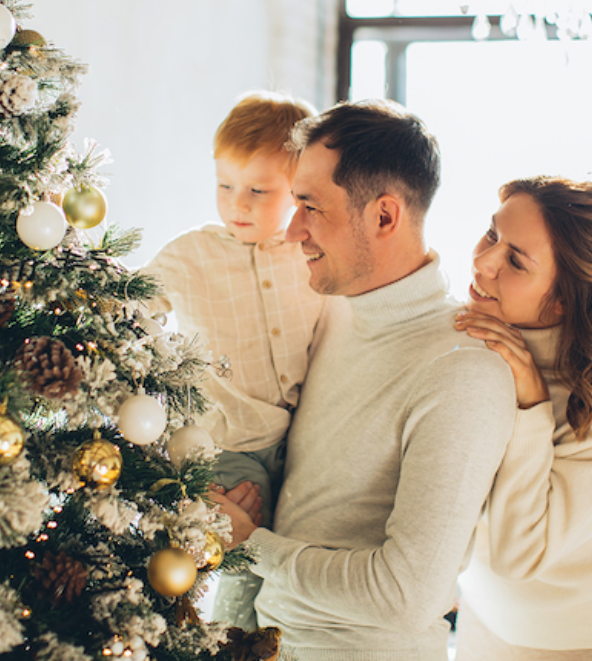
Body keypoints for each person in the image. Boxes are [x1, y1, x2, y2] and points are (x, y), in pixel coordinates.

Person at [214, 99, 517, 660]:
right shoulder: (331, 311)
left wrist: (249, 546)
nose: (291, 230)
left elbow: (407, 596)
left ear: (383, 216)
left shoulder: (462, 369)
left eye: (310, 206)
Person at [454, 175, 592, 661]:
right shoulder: (469, 337)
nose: (483, 262)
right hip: (483, 620)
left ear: (564, 299)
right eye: (492, 234)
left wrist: (532, 404)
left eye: (515, 260)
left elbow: (518, 554)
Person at [137, 90, 325, 630]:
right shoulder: (191, 255)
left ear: (298, 192)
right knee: (242, 542)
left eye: (258, 191)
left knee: (284, 547)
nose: (237, 204)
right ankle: (232, 641)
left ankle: (259, 636)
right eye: (225, 186)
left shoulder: (310, 255)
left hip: (296, 440)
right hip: (224, 439)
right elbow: (132, 308)